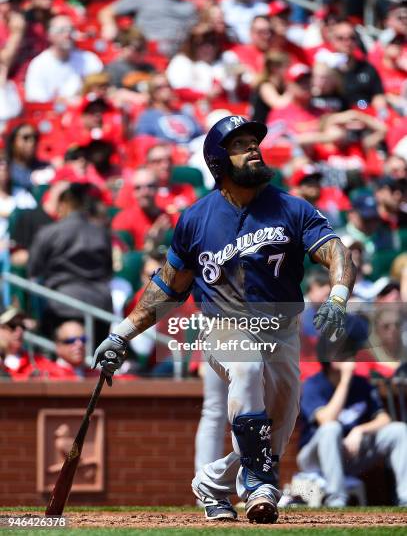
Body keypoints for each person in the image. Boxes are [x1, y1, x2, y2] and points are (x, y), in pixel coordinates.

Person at [92, 114, 356, 523]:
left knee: (278, 428)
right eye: (239, 144)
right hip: (224, 326)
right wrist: (122, 334)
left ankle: (213, 482)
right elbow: (167, 287)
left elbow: (335, 251)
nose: (253, 148)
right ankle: (257, 486)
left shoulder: (291, 207)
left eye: (254, 141)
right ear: (218, 161)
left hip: (281, 331)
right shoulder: (196, 218)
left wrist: (338, 294)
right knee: (247, 371)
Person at [297, 347, 407, 507]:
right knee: (331, 429)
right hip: (314, 458)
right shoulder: (313, 384)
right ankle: (336, 500)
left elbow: (384, 419)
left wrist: (360, 430)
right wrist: (345, 380)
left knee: (399, 430)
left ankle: (405, 498)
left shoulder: (362, 384)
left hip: (349, 453)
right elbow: (326, 420)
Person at [28, 183, 113, 342]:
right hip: (100, 304)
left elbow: (33, 270)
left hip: (62, 304)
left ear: (64, 204)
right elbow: (108, 271)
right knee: (95, 360)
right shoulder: (101, 233)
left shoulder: (49, 232)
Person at [24, 15, 103, 102]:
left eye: (71, 30)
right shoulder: (39, 65)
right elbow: (36, 100)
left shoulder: (88, 59)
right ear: (49, 35)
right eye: (61, 31)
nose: (67, 35)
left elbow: (101, 88)